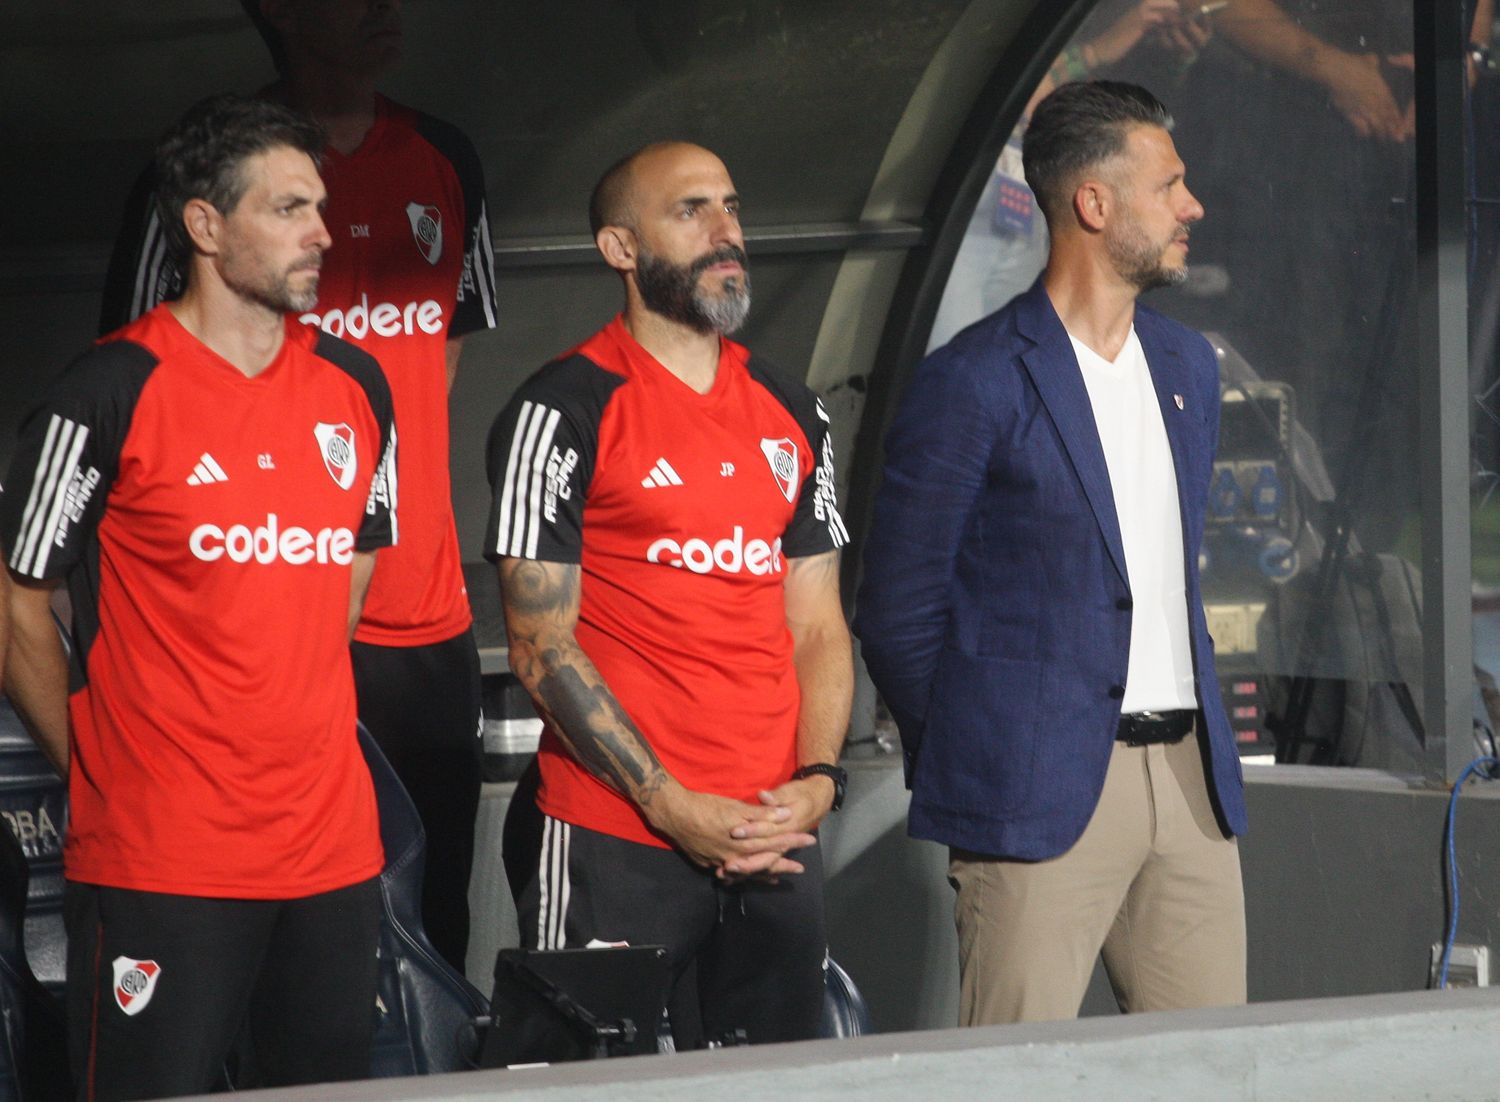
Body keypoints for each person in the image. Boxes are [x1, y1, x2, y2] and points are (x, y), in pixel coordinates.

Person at [2, 94, 397, 1098]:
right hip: (162, 862)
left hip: (330, 855)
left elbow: (347, 583)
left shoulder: (357, 388)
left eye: (320, 206)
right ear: (206, 227)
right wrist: (96, 768)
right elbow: (15, 606)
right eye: (289, 208)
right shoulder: (105, 391)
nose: (322, 232)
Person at [99, 0, 499, 971]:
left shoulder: (445, 157)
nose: (381, 9)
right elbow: (141, 389)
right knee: (266, 937)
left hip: (422, 619)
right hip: (259, 629)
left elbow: (437, 360)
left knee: (431, 924)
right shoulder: (204, 172)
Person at [855, 81, 1248, 1025]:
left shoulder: (1188, 365)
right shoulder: (973, 381)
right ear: (1095, 204)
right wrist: (986, 748)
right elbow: (897, 614)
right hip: (1033, 796)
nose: (1192, 206)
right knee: (1017, 1078)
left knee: (1219, 1077)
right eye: (1171, 185)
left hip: (1194, 794)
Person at [484, 141, 853, 1048]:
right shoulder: (562, 409)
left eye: (731, 207)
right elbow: (541, 647)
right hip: (615, 834)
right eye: (691, 211)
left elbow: (816, 624)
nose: (727, 232)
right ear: (619, 248)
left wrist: (818, 782)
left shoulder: (793, 409)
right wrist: (670, 805)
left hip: (774, 837)